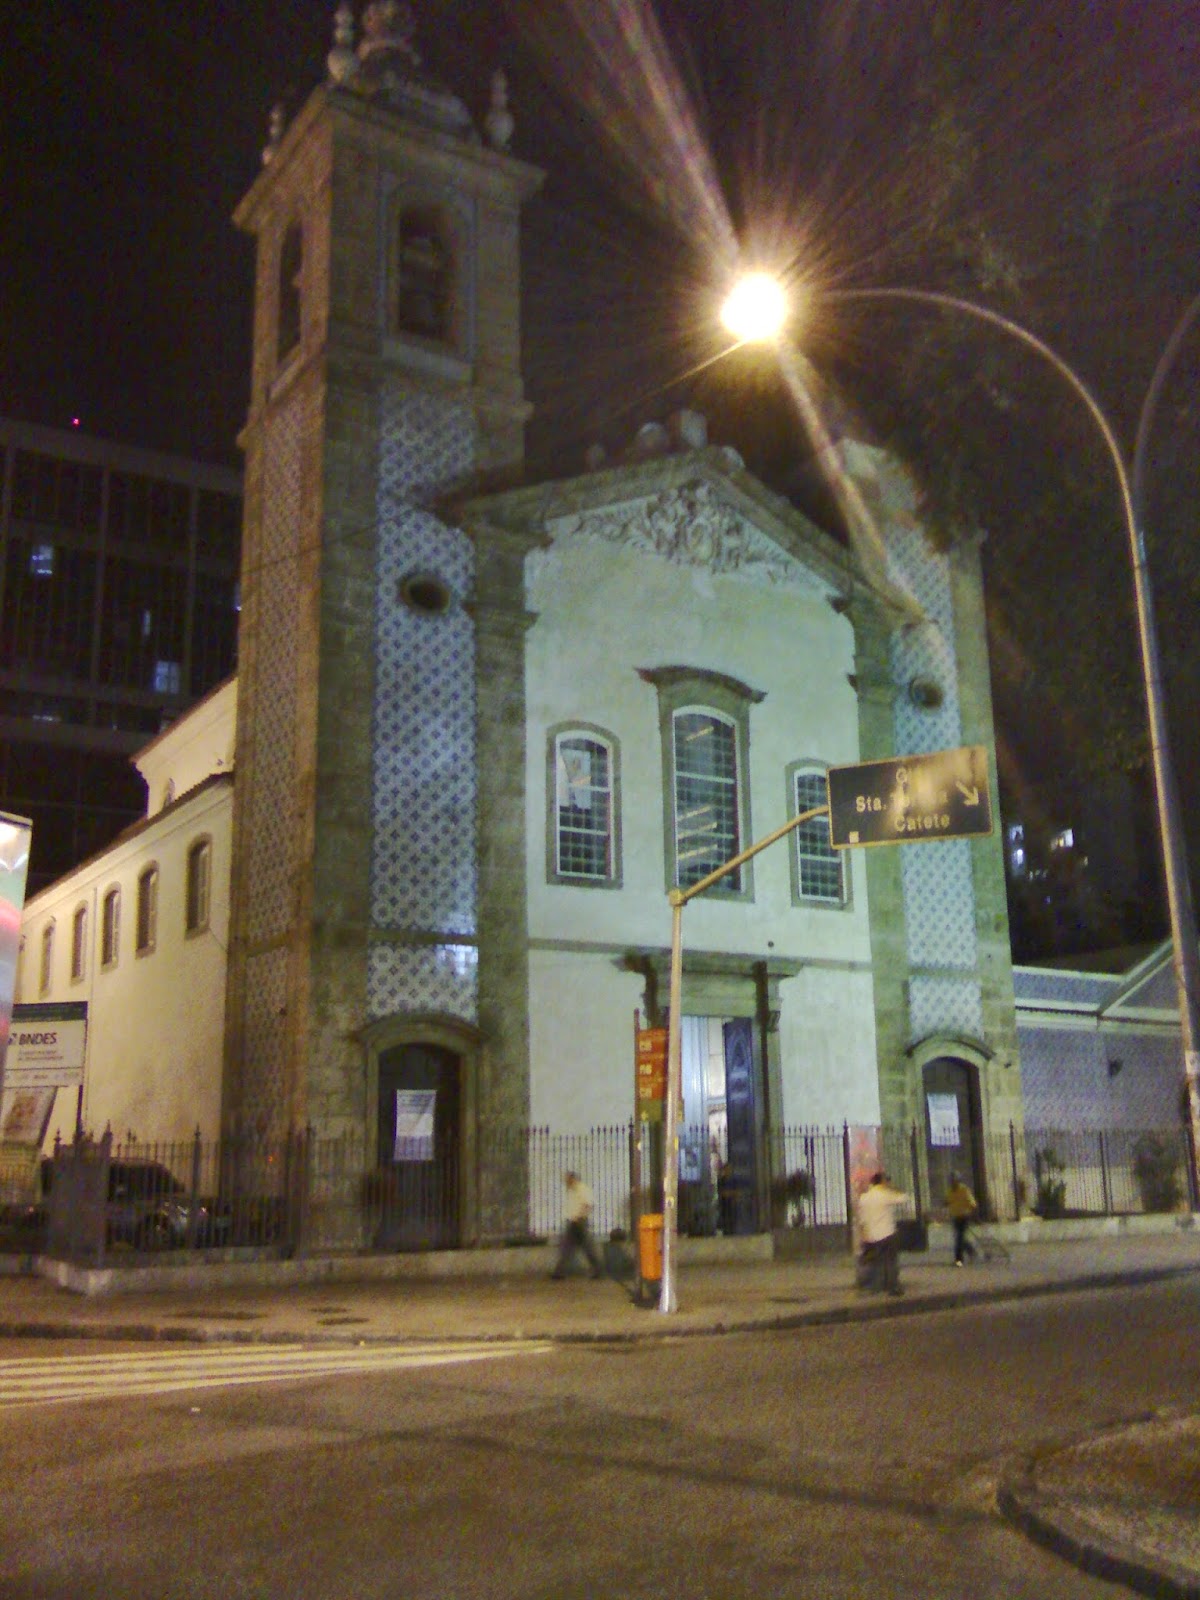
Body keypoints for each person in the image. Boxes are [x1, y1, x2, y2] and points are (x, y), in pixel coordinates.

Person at [856, 1170, 909, 1296]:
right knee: (890, 1261)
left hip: (872, 1236)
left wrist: (864, 1235)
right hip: (887, 1234)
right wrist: (892, 1187)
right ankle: (892, 1287)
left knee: (877, 1262)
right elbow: (904, 1198)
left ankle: (876, 1287)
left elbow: (862, 1220)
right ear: (882, 1182)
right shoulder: (885, 1194)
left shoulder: (864, 1198)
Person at [550, 1171, 604, 1280]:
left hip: (579, 1222)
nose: (565, 1182)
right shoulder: (573, 1190)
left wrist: (580, 1216)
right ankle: (559, 1272)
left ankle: (598, 1270)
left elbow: (589, 1204)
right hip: (574, 1221)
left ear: (573, 1179)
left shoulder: (582, 1189)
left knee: (584, 1247)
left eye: (567, 1179)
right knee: (569, 1247)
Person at [945, 1171, 978, 1266]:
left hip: (964, 1217)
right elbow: (947, 1201)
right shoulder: (950, 1191)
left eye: (954, 1180)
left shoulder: (964, 1190)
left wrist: (974, 1214)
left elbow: (972, 1203)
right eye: (951, 1181)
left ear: (958, 1180)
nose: (952, 1182)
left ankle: (959, 1260)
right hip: (956, 1217)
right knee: (960, 1238)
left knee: (959, 1238)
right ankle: (972, 1251)